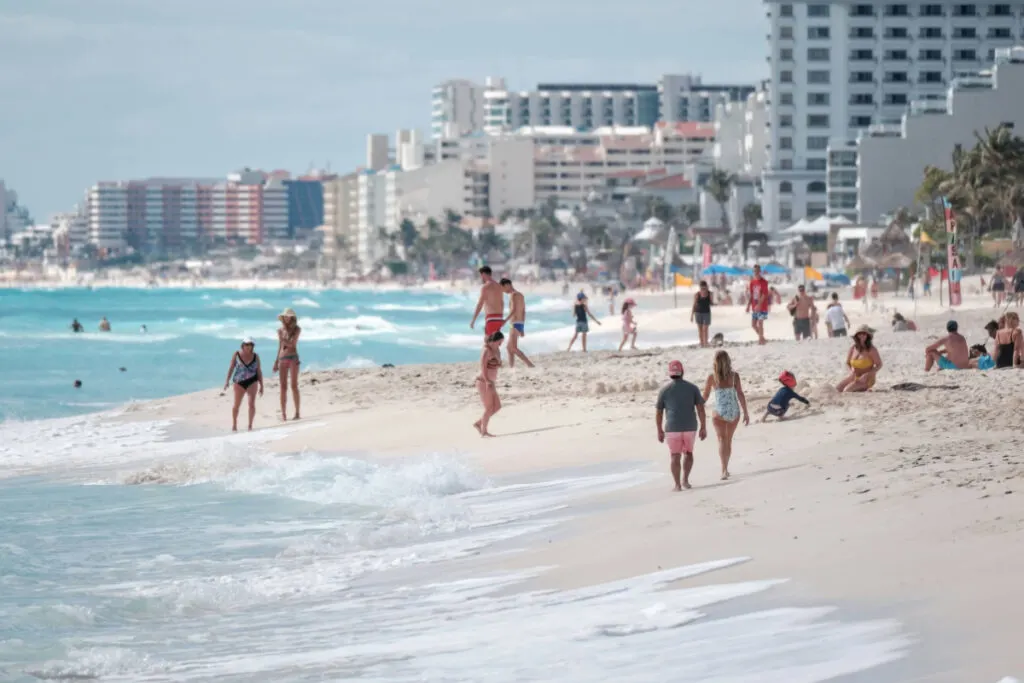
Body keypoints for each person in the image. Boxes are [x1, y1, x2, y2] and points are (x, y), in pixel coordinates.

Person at [655, 360, 707, 491]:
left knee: (674, 455)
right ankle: (685, 480)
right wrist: (703, 427)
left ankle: (677, 485)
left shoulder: (664, 390)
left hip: (672, 428)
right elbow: (700, 408)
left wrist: (659, 430)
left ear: (670, 374)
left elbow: (659, 412)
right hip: (690, 426)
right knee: (688, 453)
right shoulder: (692, 388)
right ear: (682, 372)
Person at [700, 351, 748, 481]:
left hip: (719, 413)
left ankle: (724, 470)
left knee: (721, 440)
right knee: (729, 440)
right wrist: (746, 412)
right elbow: (740, 394)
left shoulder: (712, 377)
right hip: (734, 411)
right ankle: (726, 468)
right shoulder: (734, 376)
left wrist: (697, 405)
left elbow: (705, 396)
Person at [224, 337, 264, 432]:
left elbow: (259, 371)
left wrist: (262, 385)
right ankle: (234, 424)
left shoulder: (255, 356)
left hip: (252, 381)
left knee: (251, 404)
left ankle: (250, 425)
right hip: (239, 382)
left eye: (250, 344)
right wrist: (227, 381)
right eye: (246, 344)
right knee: (236, 405)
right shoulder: (237, 354)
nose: (248, 346)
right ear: (242, 345)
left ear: (252, 346)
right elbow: (231, 368)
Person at [474, 331, 504, 437]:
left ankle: (479, 423)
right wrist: (487, 381)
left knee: (497, 406)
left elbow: (498, 364)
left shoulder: (497, 350)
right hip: (483, 381)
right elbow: (482, 366)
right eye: (499, 342)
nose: (500, 344)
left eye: (502, 343)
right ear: (494, 341)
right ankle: (484, 431)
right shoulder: (486, 350)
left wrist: (499, 363)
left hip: (491, 381)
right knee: (489, 407)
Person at [499, 278, 534, 369]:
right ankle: (512, 367)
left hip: (514, 323)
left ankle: (530, 364)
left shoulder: (513, 295)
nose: (503, 291)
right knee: (509, 347)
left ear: (507, 285)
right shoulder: (521, 295)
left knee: (513, 348)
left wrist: (504, 321)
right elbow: (523, 311)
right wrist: (522, 327)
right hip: (519, 323)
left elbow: (514, 310)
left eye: (502, 288)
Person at [274, 308, 302, 421]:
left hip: (293, 357)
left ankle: (297, 412)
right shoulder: (280, 330)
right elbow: (280, 346)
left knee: (294, 386)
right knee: (283, 387)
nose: (286, 318)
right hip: (282, 358)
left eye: (288, 316)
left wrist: (283, 340)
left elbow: (292, 344)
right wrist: (276, 361)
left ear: (292, 318)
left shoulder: (297, 329)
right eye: (285, 316)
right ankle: (283, 414)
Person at [836, 325, 883, 392]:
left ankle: (865, 387)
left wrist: (867, 374)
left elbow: (879, 364)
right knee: (837, 389)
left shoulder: (871, 349)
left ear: (867, 335)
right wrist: (851, 371)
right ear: (857, 336)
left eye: (864, 333)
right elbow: (847, 363)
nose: (862, 335)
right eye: (859, 334)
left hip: (866, 378)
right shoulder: (853, 348)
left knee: (847, 390)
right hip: (854, 376)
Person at [470, 265, 504, 338]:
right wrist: (501, 318)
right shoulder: (499, 286)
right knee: (494, 344)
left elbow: (480, 304)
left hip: (491, 318)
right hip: (499, 318)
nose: (481, 277)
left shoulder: (485, 287)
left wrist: (473, 320)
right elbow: (502, 303)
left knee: (488, 344)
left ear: (483, 274)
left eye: (481, 275)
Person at [745, 264, 770, 345]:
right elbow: (751, 295)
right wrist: (748, 305)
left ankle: (760, 340)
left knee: (760, 323)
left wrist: (759, 305)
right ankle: (762, 338)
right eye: (754, 271)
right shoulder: (752, 282)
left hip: (762, 306)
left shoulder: (764, 282)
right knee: (753, 325)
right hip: (754, 306)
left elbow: (764, 294)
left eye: (757, 271)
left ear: (760, 271)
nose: (755, 272)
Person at [691, 281, 713, 348]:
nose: (703, 289)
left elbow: (711, 303)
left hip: (706, 313)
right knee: (700, 329)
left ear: (706, 287)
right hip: (698, 312)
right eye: (701, 288)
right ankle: (702, 343)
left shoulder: (710, 294)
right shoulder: (697, 294)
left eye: (704, 288)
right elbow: (694, 305)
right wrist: (692, 315)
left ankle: (705, 342)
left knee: (705, 328)